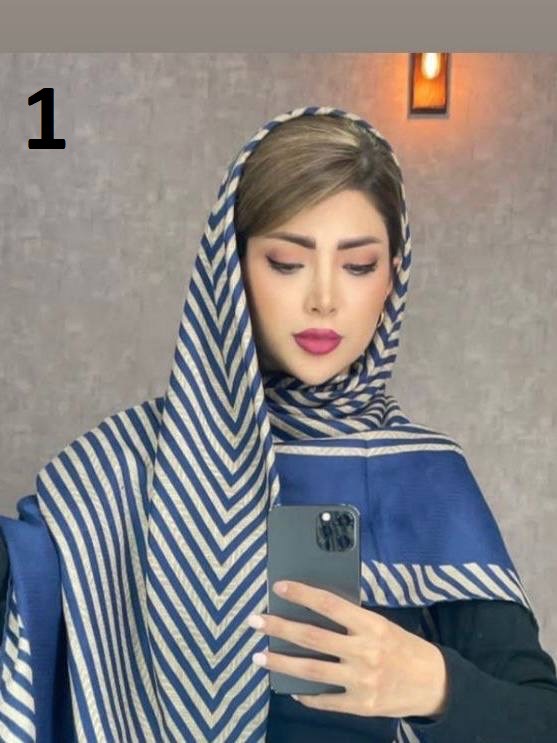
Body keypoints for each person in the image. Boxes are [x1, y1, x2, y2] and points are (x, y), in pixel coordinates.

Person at [0, 105, 556, 743]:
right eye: (288, 263)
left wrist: (434, 684)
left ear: (392, 280)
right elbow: (24, 592)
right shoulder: (132, 462)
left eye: (358, 266)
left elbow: (541, 718)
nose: (324, 298)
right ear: (231, 270)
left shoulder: (427, 478)